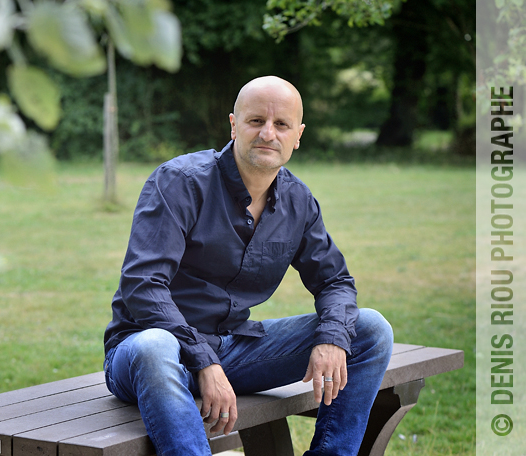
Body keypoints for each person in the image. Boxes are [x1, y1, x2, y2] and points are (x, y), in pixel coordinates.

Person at [103, 76, 394, 456]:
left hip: (233, 349)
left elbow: (335, 281)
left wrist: (331, 338)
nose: (268, 134)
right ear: (234, 125)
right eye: (256, 121)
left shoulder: (298, 201)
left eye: (281, 125)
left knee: (369, 329)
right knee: (157, 345)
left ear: (298, 135)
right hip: (147, 353)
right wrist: (204, 362)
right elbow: (143, 285)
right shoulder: (179, 182)